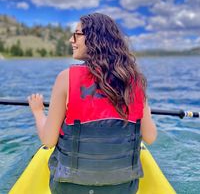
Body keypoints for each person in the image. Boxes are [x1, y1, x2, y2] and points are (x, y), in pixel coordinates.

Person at [28, 12, 157, 194]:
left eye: (77, 34)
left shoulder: (66, 79)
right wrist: (146, 110)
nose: (70, 40)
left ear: (95, 38)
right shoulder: (135, 82)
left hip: (71, 188)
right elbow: (150, 137)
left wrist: (38, 111)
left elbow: (48, 141)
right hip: (122, 188)